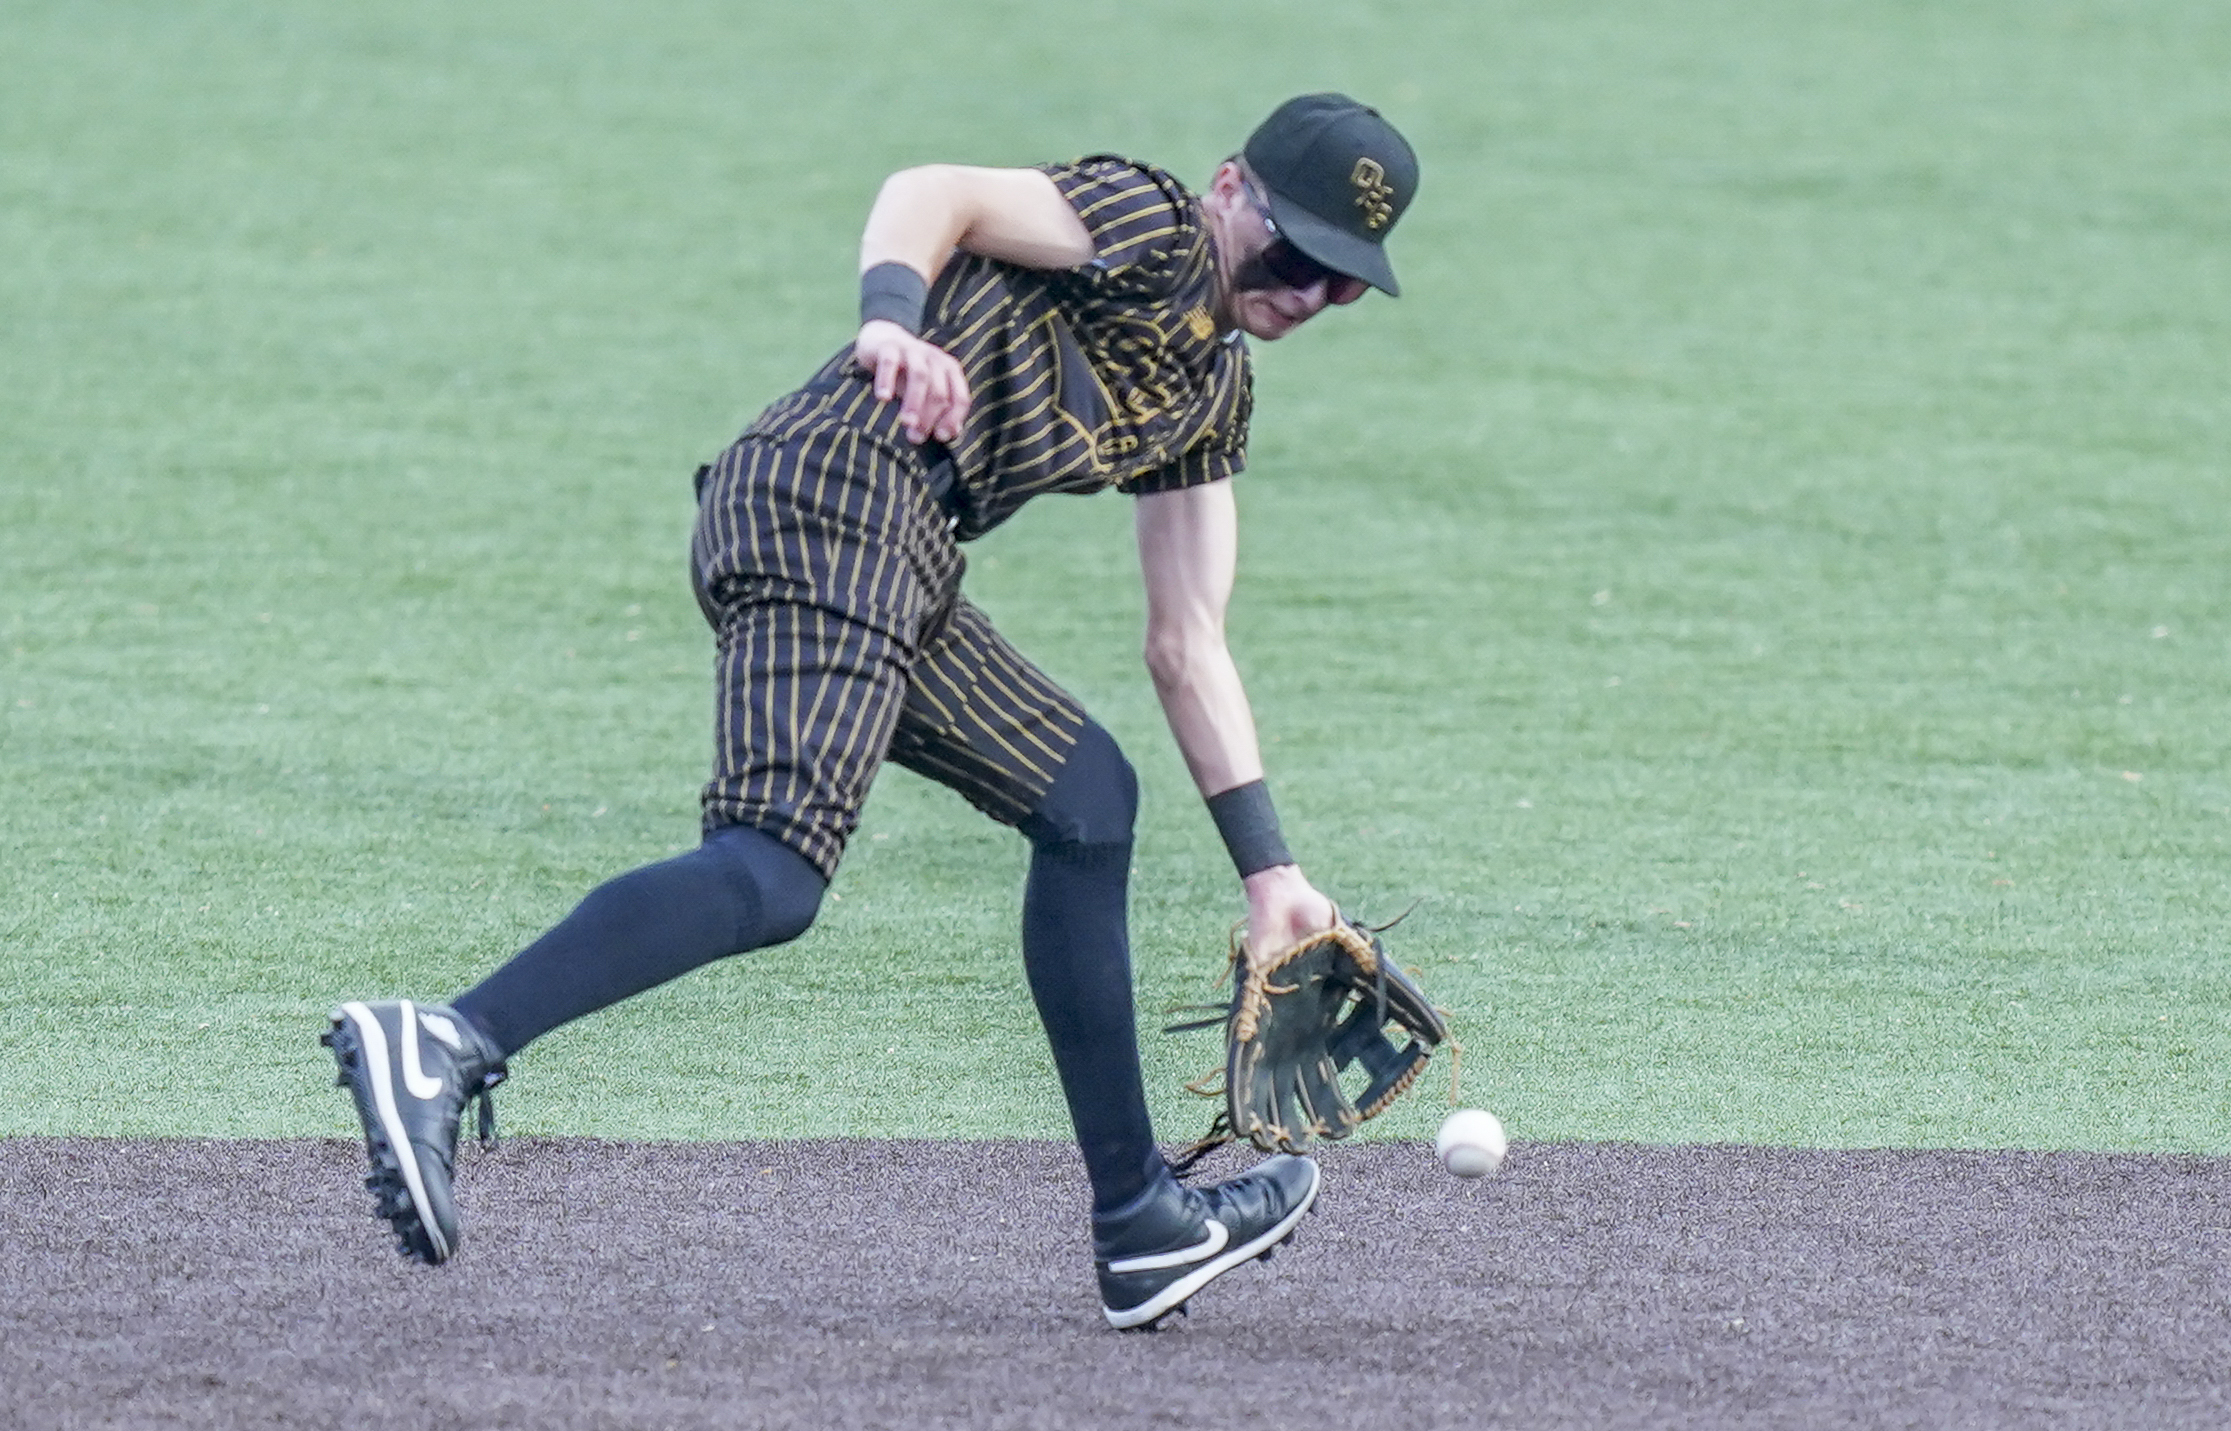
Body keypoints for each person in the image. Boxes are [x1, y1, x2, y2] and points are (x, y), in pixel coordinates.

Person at [323, 92, 1419, 1331]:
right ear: (1231, 188)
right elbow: (933, 189)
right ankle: (448, 1038)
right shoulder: (1150, 220)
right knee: (773, 873)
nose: (1307, 295)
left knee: (1086, 797)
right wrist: (892, 323)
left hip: (899, 554)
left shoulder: (1210, 393)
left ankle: (1141, 1224)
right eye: (1294, 255)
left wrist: (1270, 872)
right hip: (832, 494)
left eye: (1339, 284)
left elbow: (1187, 642)